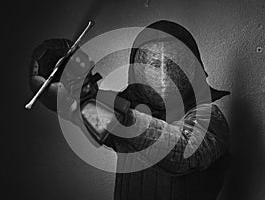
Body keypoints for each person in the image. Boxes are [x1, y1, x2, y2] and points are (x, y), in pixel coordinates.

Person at [29, 20, 231, 200]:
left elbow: (183, 153)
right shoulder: (129, 110)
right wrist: (74, 91)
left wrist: (90, 104)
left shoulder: (210, 118)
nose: (163, 76)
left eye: (173, 64)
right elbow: (99, 119)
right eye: (152, 64)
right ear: (137, 69)